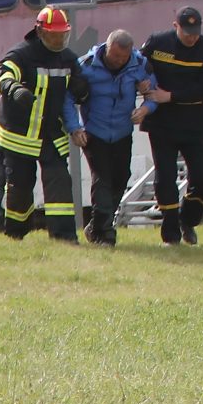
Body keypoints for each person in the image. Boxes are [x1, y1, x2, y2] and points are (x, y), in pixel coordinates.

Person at [0, 6, 91, 243]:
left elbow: (78, 85)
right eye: (53, 35)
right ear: (39, 31)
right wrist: (14, 89)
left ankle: (64, 237)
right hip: (19, 136)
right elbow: (0, 75)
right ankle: (16, 234)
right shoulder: (22, 54)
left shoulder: (68, 58)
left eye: (62, 35)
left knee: (59, 184)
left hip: (50, 135)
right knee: (20, 188)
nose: (58, 40)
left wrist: (81, 90)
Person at [142, 5, 203, 244]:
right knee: (165, 178)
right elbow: (138, 67)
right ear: (175, 26)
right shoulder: (157, 43)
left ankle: (188, 221)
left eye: (195, 32)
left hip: (195, 126)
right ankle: (170, 234)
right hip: (162, 125)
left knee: (202, 177)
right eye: (187, 31)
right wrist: (142, 84)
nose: (192, 37)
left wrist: (171, 96)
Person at [73, 29, 153, 245]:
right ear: (107, 48)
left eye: (123, 58)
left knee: (121, 177)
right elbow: (67, 98)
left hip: (122, 132)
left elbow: (152, 93)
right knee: (102, 179)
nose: (118, 61)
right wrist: (75, 127)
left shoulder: (140, 65)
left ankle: (96, 226)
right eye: (115, 56)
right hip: (94, 131)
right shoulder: (86, 66)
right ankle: (105, 233)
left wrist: (145, 109)